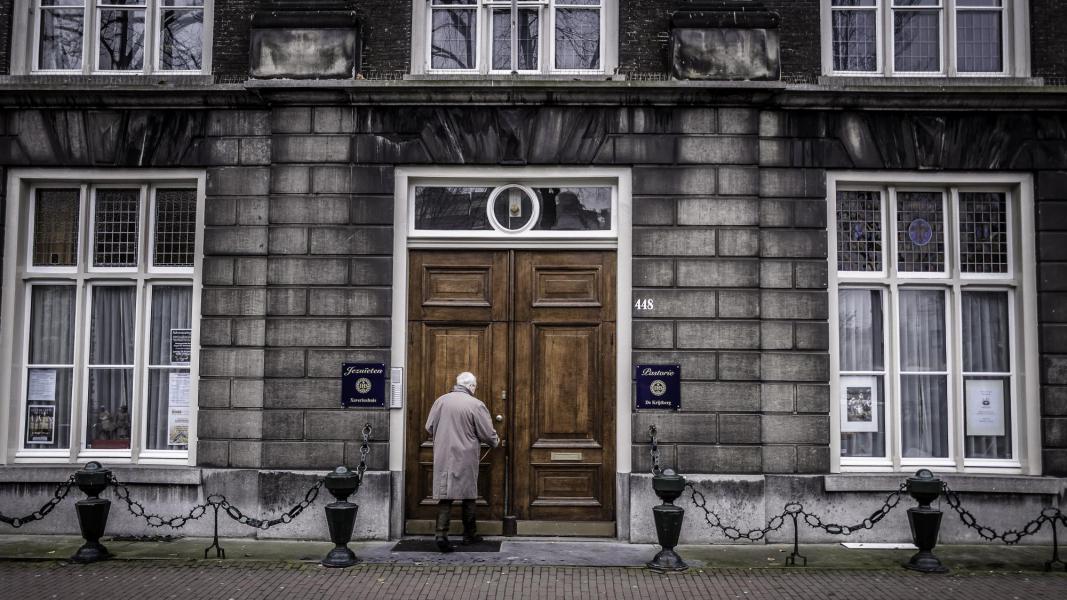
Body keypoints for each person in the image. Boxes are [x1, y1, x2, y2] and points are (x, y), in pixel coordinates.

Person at [425, 371, 500, 552]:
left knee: (445, 496)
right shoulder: (476, 405)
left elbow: (429, 427)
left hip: (443, 454)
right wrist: (495, 441)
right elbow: (487, 433)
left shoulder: (440, 401)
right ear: (471, 386)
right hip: (466, 456)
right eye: (475, 386)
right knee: (468, 495)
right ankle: (469, 534)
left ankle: (441, 534)